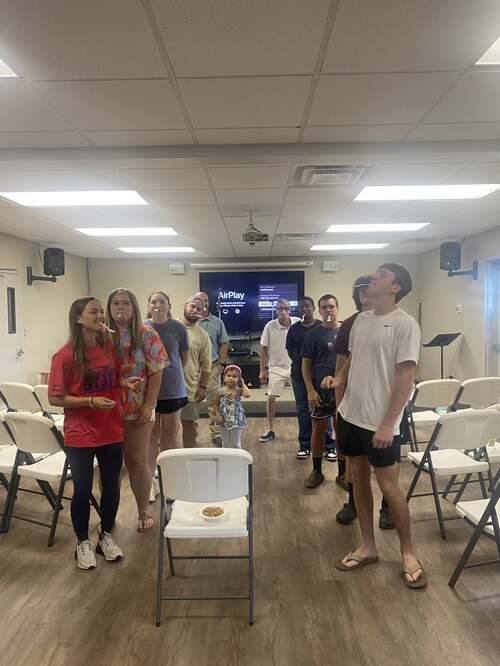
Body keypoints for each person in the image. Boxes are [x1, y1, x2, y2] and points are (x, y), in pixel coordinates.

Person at [326, 263, 426, 588]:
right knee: (357, 478)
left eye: (382, 275)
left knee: (389, 487)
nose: (373, 277)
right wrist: (339, 379)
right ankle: (367, 545)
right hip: (350, 415)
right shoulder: (360, 321)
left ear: (396, 288)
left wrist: (387, 424)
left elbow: (406, 377)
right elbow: (353, 359)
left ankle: (408, 553)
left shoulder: (405, 324)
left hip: (381, 424)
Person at [48, 297, 142, 569]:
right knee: (82, 489)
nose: (101, 315)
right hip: (81, 434)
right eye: (94, 312)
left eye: (101, 311)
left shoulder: (107, 347)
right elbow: (55, 398)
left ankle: (106, 536)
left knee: (112, 486)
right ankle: (82, 542)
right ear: (79, 318)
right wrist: (90, 402)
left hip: (111, 430)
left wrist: (124, 382)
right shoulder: (64, 355)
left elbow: (110, 378)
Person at [334, 276, 396, 528]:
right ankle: (352, 502)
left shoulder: (398, 322)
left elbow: (405, 371)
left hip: (387, 410)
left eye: (369, 288)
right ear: (356, 295)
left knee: (388, 466)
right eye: (360, 290)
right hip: (355, 408)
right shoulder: (350, 325)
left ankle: (387, 507)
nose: (365, 294)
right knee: (355, 462)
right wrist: (339, 408)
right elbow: (341, 368)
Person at [107, 289, 168, 532]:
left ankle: (143, 510)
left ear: (134, 307)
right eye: (115, 303)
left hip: (138, 408)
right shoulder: (101, 335)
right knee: (109, 466)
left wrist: (149, 405)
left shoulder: (146, 333)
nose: (120, 307)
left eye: (125, 303)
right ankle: (107, 516)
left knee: (137, 461)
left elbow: (157, 372)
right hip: (106, 410)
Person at [145, 291, 190, 502]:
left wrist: (168, 372)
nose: (157, 305)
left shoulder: (178, 328)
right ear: (148, 306)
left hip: (173, 388)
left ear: (169, 305)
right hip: (147, 390)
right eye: (153, 301)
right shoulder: (142, 327)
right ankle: (149, 484)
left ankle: (172, 484)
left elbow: (183, 358)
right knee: (150, 436)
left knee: (170, 435)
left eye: (162, 301)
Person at [286, 297, 336, 460]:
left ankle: (329, 446)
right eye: (301, 307)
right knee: (303, 410)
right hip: (299, 376)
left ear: (314, 308)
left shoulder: (322, 327)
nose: (304, 309)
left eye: (307, 306)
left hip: (319, 377)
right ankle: (305, 445)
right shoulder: (294, 330)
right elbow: (291, 352)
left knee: (324, 410)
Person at [301, 294, 340, 489]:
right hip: (320, 392)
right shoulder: (313, 335)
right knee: (318, 429)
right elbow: (305, 365)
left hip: (342, 390)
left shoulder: (346, 333)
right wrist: (310, 390)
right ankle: (317, 471)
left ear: (337, 308)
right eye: (324, 307)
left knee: (341, 431)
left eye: (331, 306)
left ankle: (343, 473)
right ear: (319, 310)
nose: (328, 310)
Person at [258, 298, 300, 442]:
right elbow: (263, 350)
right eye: (280, 308)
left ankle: (307, 429)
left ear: (290, 310)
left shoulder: (297, 323)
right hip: (276, 367)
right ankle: (270, 429)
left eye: (286, 308)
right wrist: (262, 371)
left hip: (295, 366)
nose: (283, 311)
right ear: (276, 311)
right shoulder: (270, 326)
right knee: (271, 398)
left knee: (302, 398)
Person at [195, 291, 229, 446]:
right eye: (200, 300)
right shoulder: (187, 322)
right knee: (191, 403)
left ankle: (216, 433)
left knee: (214, 403)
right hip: (192, 370)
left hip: (213, 367)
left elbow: (224, 343)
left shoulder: (217, 322)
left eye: (206, 300)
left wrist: (222, 363)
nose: (204, 303)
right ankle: (192, 432)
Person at [180, 295, 212, 447]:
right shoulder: (171, 327)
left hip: (189, 390)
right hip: (166, 390)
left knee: (189, 428)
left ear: (202, 313)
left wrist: (203, 387)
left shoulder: (203, 336)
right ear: (185, 306)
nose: (195, 310)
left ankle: (188, 456)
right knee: (165, 428)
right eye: (192, 306)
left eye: (199, 309)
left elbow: (206, 365)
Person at [213, 364, 251, 448]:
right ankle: (225, 456)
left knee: (236, 443)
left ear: (238, 379)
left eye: (234, 376)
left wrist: (242, 383)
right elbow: (215, 404)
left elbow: (248, 395)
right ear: (224, 377)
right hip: (223, 419)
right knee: (225, 443)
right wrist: (218, 415)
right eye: (228, 376)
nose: (231, 378)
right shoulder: (220, 391)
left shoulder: (239, 390)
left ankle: (238, 456)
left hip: (236, 419)